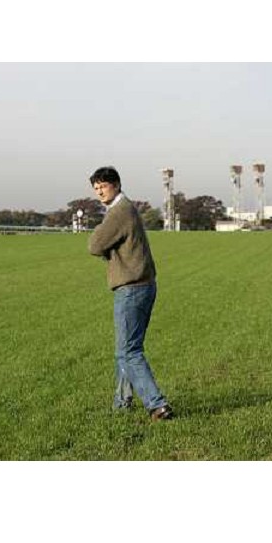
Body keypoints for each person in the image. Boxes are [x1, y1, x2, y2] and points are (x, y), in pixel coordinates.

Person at [88, 166, 173, 422]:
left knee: (129, 351)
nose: (99, 192)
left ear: (116, 184)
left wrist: (104, 246)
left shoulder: (119, 212)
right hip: (144, 286)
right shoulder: (127, 209)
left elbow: (94, 245)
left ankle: (157, 405)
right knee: (126, 349)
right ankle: (122, 402)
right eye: (96, 189)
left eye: (103, 186)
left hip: (132, 288)